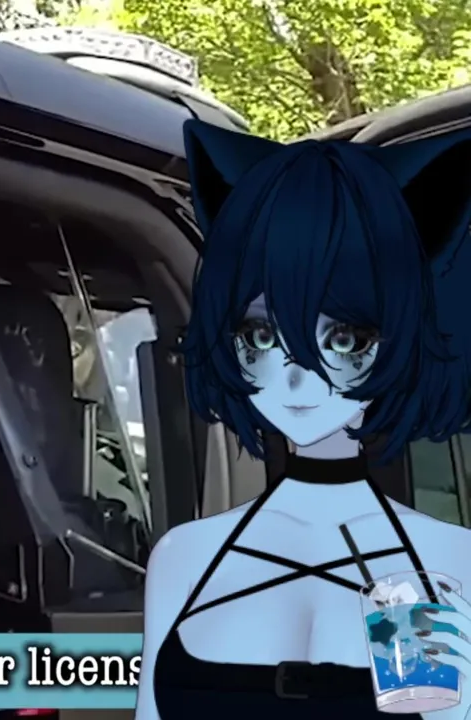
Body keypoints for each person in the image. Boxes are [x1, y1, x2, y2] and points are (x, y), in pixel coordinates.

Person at [135, 120, 471, 720]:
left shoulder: (434, 560)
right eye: (261, 335)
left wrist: (458, 698)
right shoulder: (185, 558)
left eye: (345, 338)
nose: (295, 380)